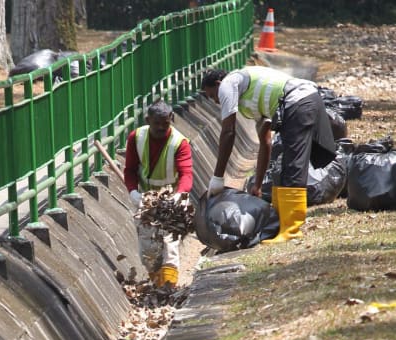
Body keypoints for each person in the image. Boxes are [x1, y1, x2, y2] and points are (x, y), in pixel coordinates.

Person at [201, 66, 336, 244]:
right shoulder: (249, 102)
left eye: (212, 95)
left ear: (218, 84)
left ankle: (291, 229)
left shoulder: (228, 84)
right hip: (302, 100)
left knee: (293, 164)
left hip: (299, 100)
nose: (216, 102)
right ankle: (282, 223)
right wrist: (257, 185)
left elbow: (228, 132)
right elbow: (265, 143)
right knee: (284, 166)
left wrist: (217, 177)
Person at [123, 99, 193, 288]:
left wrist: (179, 195)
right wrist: (133, 192)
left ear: (171, 118)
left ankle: (169, 286)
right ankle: (156, 283)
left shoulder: (179, 143)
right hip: (146, 199)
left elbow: (186, 174)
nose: (162, 127)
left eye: (166, 123)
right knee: (148, 247)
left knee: (169, 242)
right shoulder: (136, 138)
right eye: (157, 123)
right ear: (148, 120)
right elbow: (129, 170)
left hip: (172, 199)